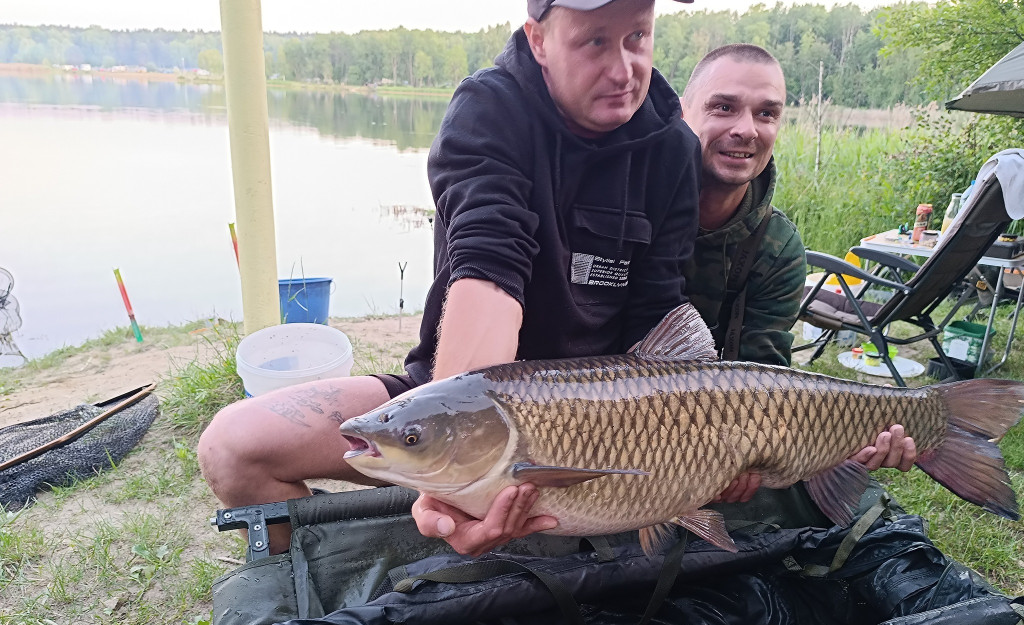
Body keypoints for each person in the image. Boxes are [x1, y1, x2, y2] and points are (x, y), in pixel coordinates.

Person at [198, 0, 702, 555]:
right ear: (538, 39)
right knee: (230, 447)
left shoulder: (675, 148)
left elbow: (659, 314)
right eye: (595, 42)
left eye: (637, 38)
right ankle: (313, 592)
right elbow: (490, 265)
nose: (622, 68)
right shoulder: (491, 109)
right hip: (458, 389)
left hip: (614, 423)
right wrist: (456, 449)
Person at [678, 43, 916, 526]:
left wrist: (750, 456)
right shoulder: (623, 208)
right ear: (683, 115)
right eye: (723, 107)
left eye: (766, 114)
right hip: (618, 424)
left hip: (724, 432)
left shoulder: (779, 244)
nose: (746, 129)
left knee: (831, 501)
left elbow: (767, 376)